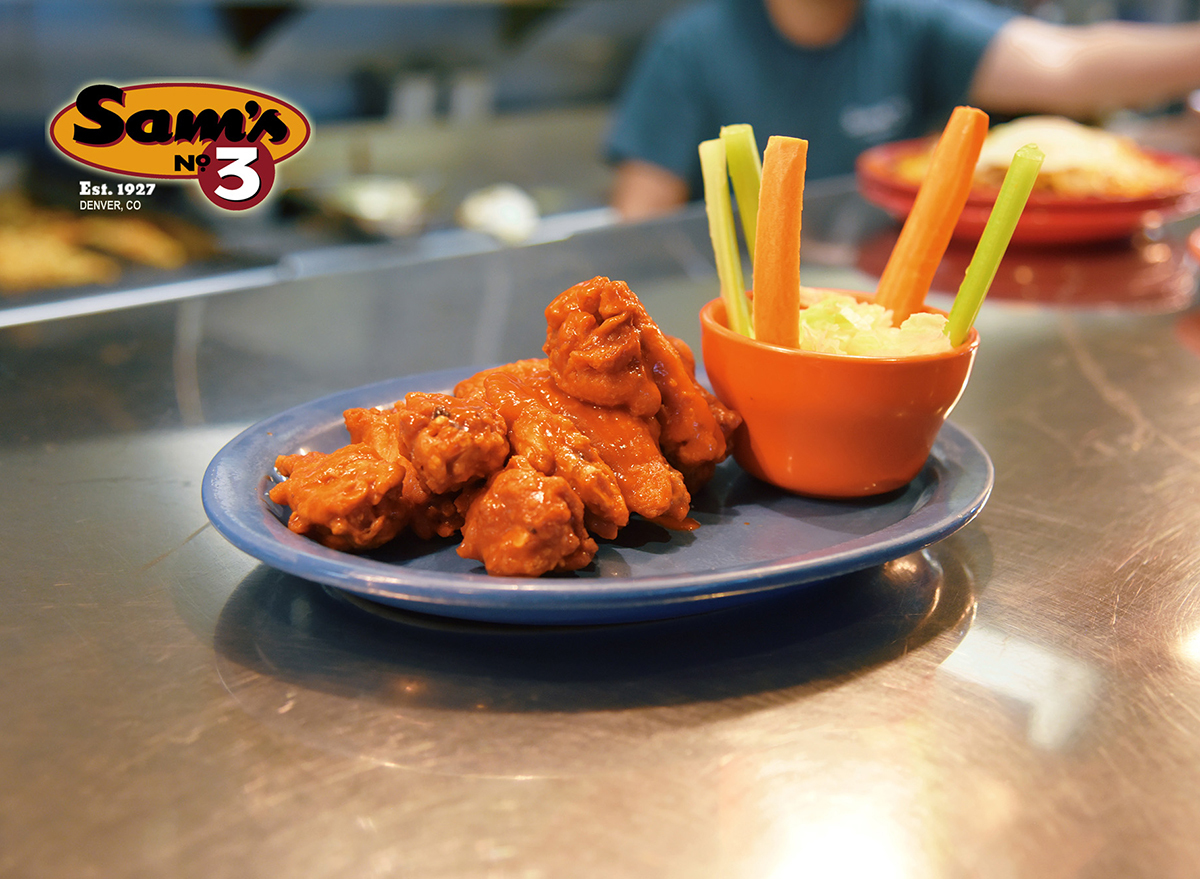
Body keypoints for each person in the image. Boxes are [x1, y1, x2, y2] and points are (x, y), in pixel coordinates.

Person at [606, 0, 1200, 220]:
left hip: (876, 299)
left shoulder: (912, 21)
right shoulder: (690, 48)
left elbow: (1068, 65)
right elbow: (640, 220)